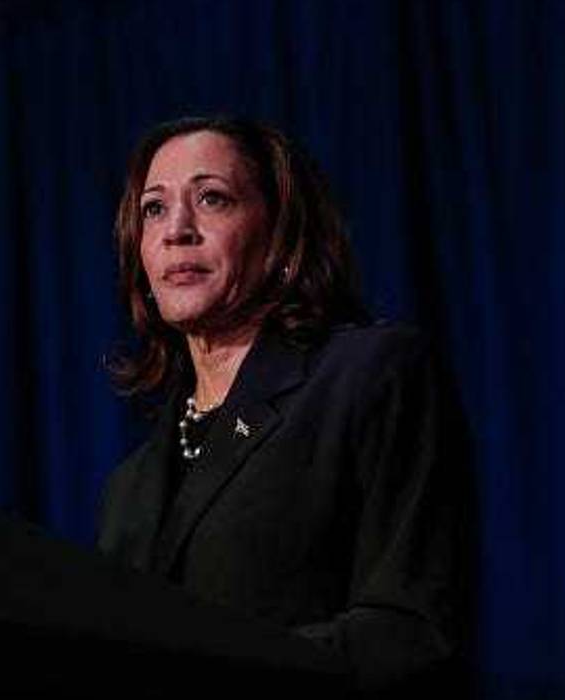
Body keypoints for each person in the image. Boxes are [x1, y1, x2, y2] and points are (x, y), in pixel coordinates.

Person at [97, 116, 473, 695]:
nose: (177, 230)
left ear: (280, 236)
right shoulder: (130, 487)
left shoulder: (370, 377)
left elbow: (411, 630)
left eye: (212, 199)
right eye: (153, 209)